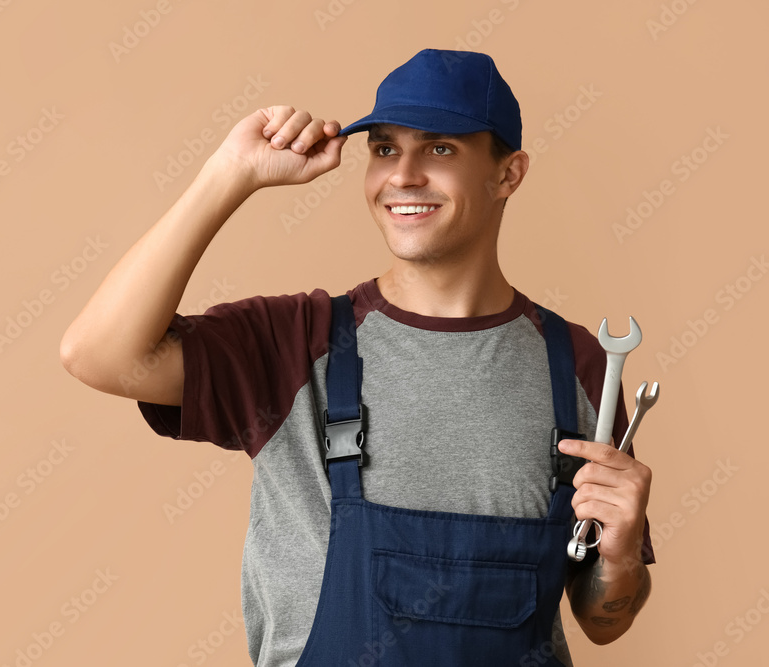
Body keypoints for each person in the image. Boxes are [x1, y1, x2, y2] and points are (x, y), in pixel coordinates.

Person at [60, 48, 655, 666]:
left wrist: (621, 554)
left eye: (440, 148)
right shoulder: (295, 343)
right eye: (385, 149)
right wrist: (228, 173)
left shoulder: (582, 369)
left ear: (508, 174)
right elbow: (97, 353)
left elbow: (601, 620)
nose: (403, 175)